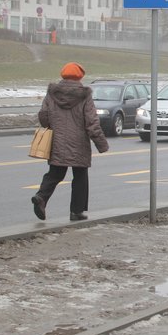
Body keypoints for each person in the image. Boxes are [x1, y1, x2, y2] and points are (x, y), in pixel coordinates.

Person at [31, 62, 109, 221]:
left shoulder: (52, 93)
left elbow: (43, 115)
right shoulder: (84, 95)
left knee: (55, 172)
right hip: (79, 143)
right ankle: (76, 211)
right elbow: (92, 122)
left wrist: (51, 126)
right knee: (80, 175)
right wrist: (101, 144)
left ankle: (41, 197)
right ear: (80, 76)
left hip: (57, 141)